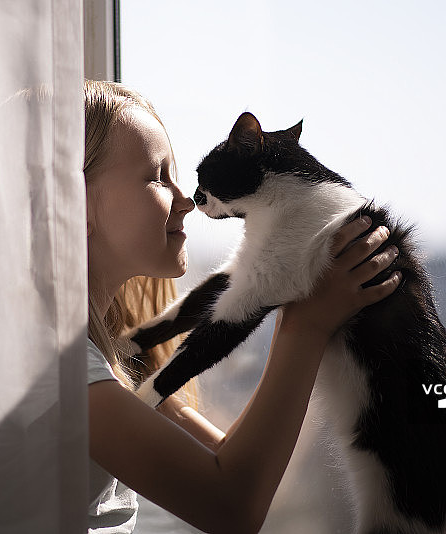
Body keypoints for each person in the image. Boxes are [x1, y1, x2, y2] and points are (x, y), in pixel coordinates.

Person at [83, 80, 401, 533]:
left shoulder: (117, 365)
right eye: (158, 176)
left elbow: (226, 458)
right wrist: (307, 323)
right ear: (74, 203)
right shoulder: (66, 371)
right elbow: (233, 506)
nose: (186, 200)